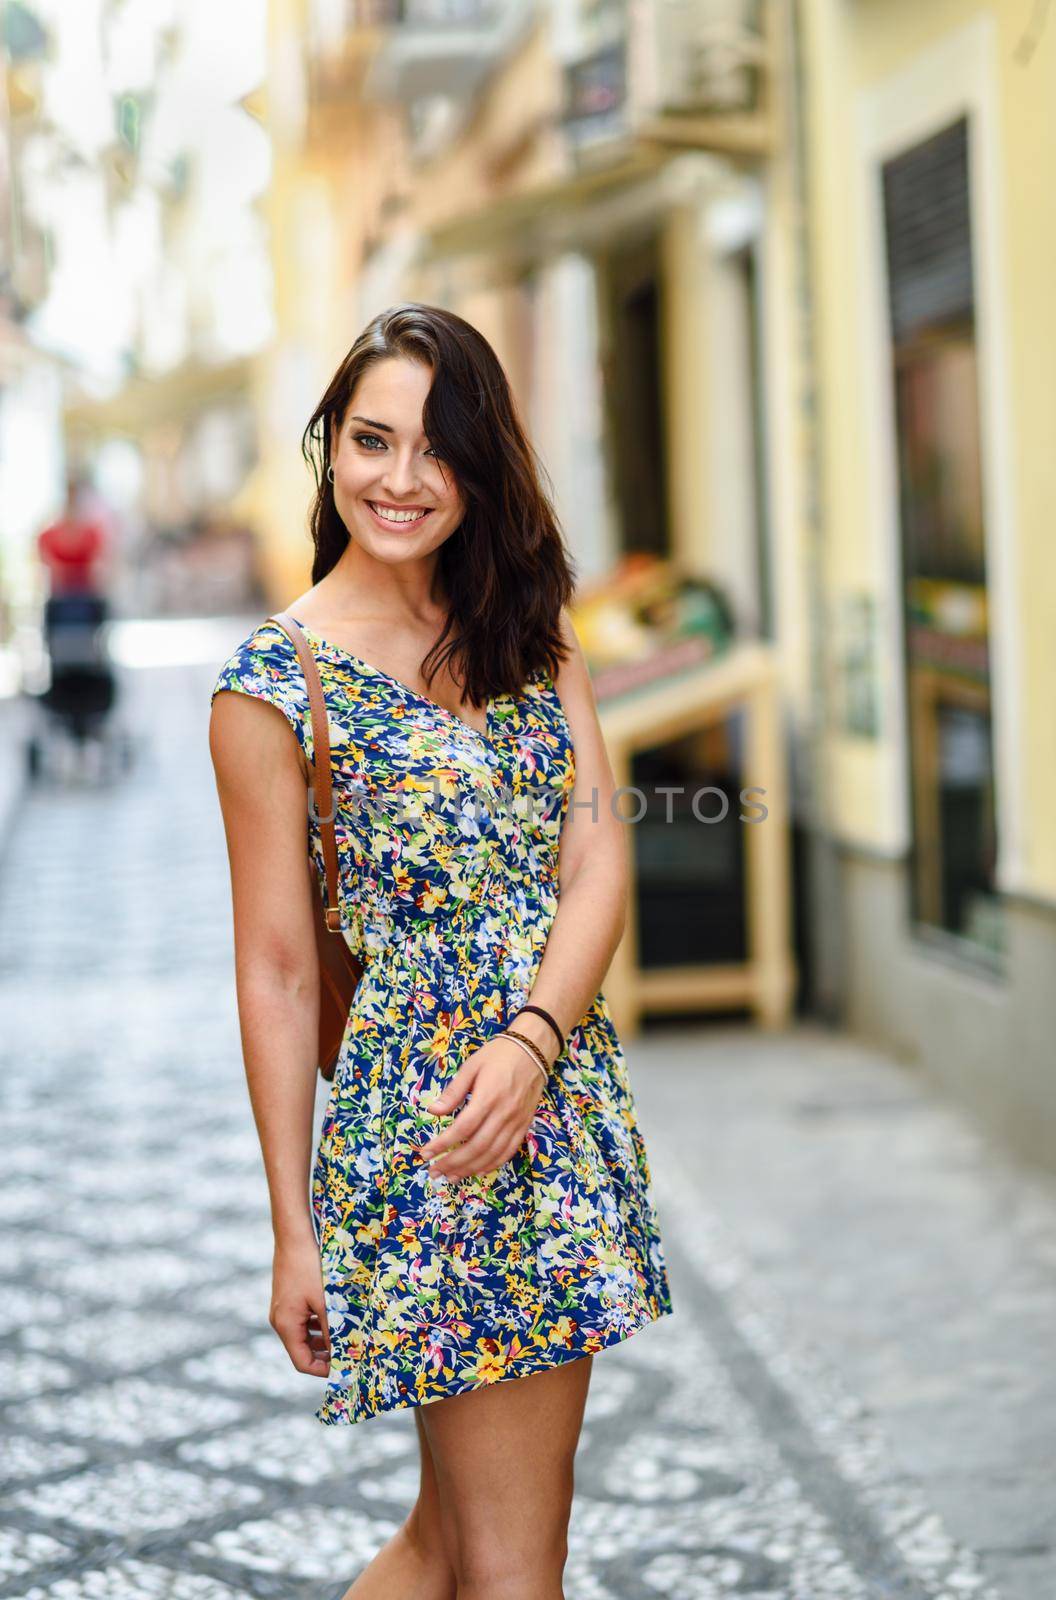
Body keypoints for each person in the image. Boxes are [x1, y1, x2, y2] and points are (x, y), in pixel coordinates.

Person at [208, 303, 673, 1600]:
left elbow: (598, 864)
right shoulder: (274, 682)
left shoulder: (532, 628)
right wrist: (292, 1232)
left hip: (555, 1103)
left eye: (438, 449)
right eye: (371, 441)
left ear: (486, 465)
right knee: (510, 1565)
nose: (401, 481)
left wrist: (534, 1042)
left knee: (463, 1546)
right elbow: (280, 972)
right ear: (330, 451)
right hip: (428, 1136)